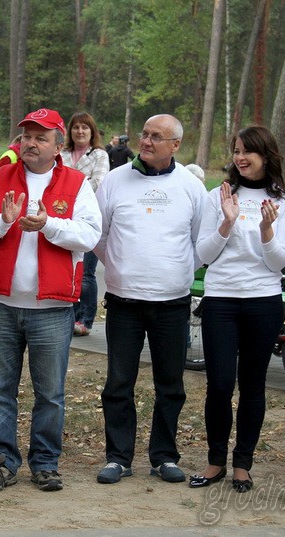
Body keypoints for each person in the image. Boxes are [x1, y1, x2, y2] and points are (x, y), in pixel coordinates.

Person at [0, 108, 101, 493]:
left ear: (58, 146)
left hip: (53, 309)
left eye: (41, 137)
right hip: (2, 305)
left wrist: (48, 225)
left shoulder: (76, 183)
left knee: (50, 394)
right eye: (26, 136)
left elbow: (90, 235)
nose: (30, 143)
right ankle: (1, 463)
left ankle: (45, 463)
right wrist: (3, 221)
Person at [94, 114, 207, 485]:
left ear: (175, 145)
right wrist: (122, 266)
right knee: (118, 383)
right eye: (144, 134)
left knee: (170, 385)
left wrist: (175, 270)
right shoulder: (115, 180)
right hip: (123, 302)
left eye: (156, 136)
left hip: (172, 303)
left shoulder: (190, 187)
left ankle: (164, 456)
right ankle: (118, 457)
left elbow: (201, 242)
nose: (146, 141)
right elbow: (98, 235)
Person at [189, 126, 285, 493]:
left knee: (253, 385)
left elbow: (278, 263)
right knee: (219, 385)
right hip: (221, 300)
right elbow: (203, 254)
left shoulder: (284, 202)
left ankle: (242, 465)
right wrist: (227, 221)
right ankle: (215, 461)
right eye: (236, 151)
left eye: (248, 151)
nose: (240, 158)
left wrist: (267, 230)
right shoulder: (218, 196)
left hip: (263, 301)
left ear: (266, 155)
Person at [59, 112, 110, 336]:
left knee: (86, 273)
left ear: (92, 131)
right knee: (66, 269)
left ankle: (85, 319)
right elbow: (53, 179)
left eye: (85, 127)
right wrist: (78, 182)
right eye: (76, 127)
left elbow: (98, 183)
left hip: (87, 220)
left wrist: (67, 186)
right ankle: (67, 316)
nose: (80, 131)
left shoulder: (99, 155)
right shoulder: (62, 153)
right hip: (62, 219)